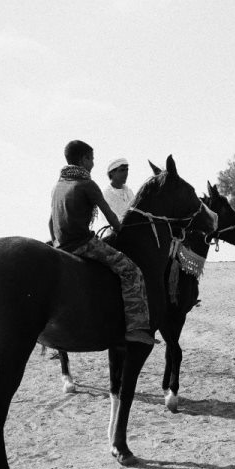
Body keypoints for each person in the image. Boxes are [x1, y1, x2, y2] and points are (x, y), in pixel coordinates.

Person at [50, 140, 154, 346]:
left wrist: (56, 244)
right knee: (131, 271)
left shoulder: (58, 186)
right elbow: (112, 218)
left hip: (60, 245)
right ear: (83, 159)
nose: (93, 164)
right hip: (83, 244)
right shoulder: (87, 184)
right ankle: (135, 328)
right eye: (92, 159)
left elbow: (51, 221)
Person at [100, 157, 135, 226]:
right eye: (122, 170)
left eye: (127, 170)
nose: (126, 173)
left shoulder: (129, 192)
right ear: (112, 173)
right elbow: (113, 220)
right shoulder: (106, 194)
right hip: (114, 234)